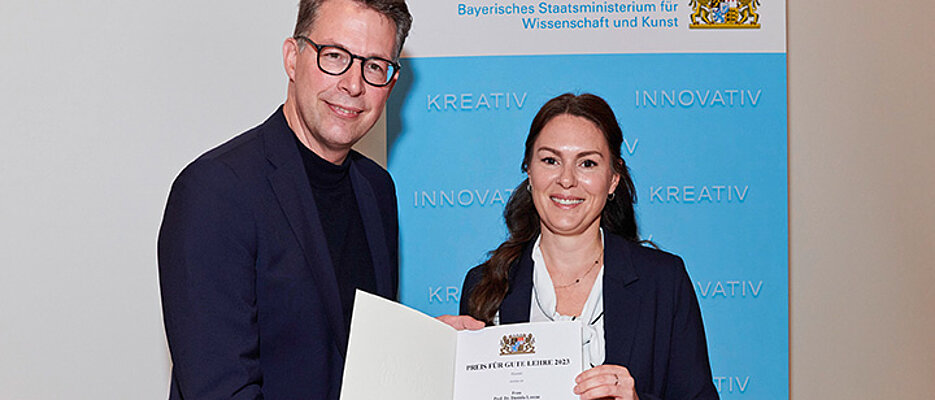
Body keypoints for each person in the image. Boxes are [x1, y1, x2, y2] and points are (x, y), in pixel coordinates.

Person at [157, 0, 411, 398]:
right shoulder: (215, 191)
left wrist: (427, 349)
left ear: (391, 83)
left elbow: (357, 357)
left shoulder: (377, 189)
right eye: (335, 56)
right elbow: (221, 389)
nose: (353, 84)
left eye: (375, 66)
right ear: (292, 58)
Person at [455, 93, 719, 400]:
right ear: (529, 170)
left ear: (613, 178)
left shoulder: (662, 281)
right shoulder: (485, 284)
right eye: (550, 161)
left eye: (587, 163)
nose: (567, 180)